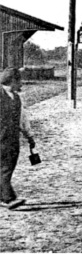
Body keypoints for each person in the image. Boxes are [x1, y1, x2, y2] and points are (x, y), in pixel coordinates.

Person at [0, 68, 35, 209]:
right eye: (19, 81)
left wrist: (30, 136)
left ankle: (3, 196)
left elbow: (22, 120)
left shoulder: (17, 98)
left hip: (12, 139)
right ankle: (8, 198)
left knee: (8, 167)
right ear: (12, 81)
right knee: (5, 169)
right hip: (1, 139)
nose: (22, 84)